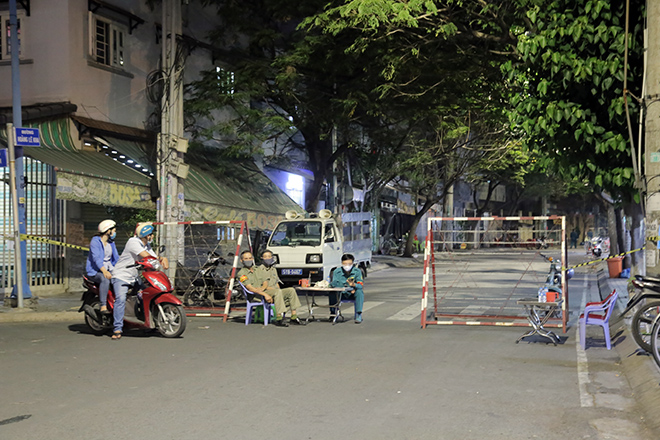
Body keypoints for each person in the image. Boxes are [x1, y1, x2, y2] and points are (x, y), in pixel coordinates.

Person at [109, 223, 169, 340]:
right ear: (146, 235)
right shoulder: (133, 242)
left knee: (146, 294)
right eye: (151, 234)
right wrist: (160, 259)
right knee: (120, 299)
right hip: (121, 276)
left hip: (134, 277)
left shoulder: (146, 245)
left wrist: (161, 258)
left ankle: (145, 322)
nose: (152, 236)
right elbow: (145, 256)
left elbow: (152, 256)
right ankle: (117, 328)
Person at [236, 250, 305, 326]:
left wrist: (262, 288)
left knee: (291, 290)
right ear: (241, 260)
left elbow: (265, 281)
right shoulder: (241, 273)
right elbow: (250, 288)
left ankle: (294, 316)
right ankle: (279, 318)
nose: (248, 260)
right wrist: (265, 294)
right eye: (246, 259)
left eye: (250, 258)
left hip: (263, 291)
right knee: (277, 292)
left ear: (253, 259)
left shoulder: (257, 269)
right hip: (255, 295)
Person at [85, 219, 119, 314]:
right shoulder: (95, 242)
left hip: (109, 269)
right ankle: (103, 305)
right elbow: (96, 259)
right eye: (114, 230)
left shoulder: (111, 243)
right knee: (105, 279)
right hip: (95, 271)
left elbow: (116, 258)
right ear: (108, 230)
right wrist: (104, 271)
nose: (115, 232)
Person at [330, 253, 364, 323]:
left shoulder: (357, 271)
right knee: (332, 292)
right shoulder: (337, 272)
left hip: (352, 294)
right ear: (342, 263)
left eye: (349, 264)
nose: (347, 266)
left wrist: (354, 285)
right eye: (345, 264)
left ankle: (358, 314)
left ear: (352, 263)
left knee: (359, 291)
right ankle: (332, 313)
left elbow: (360, 285)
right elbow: (335, 283)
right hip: (340, 293)